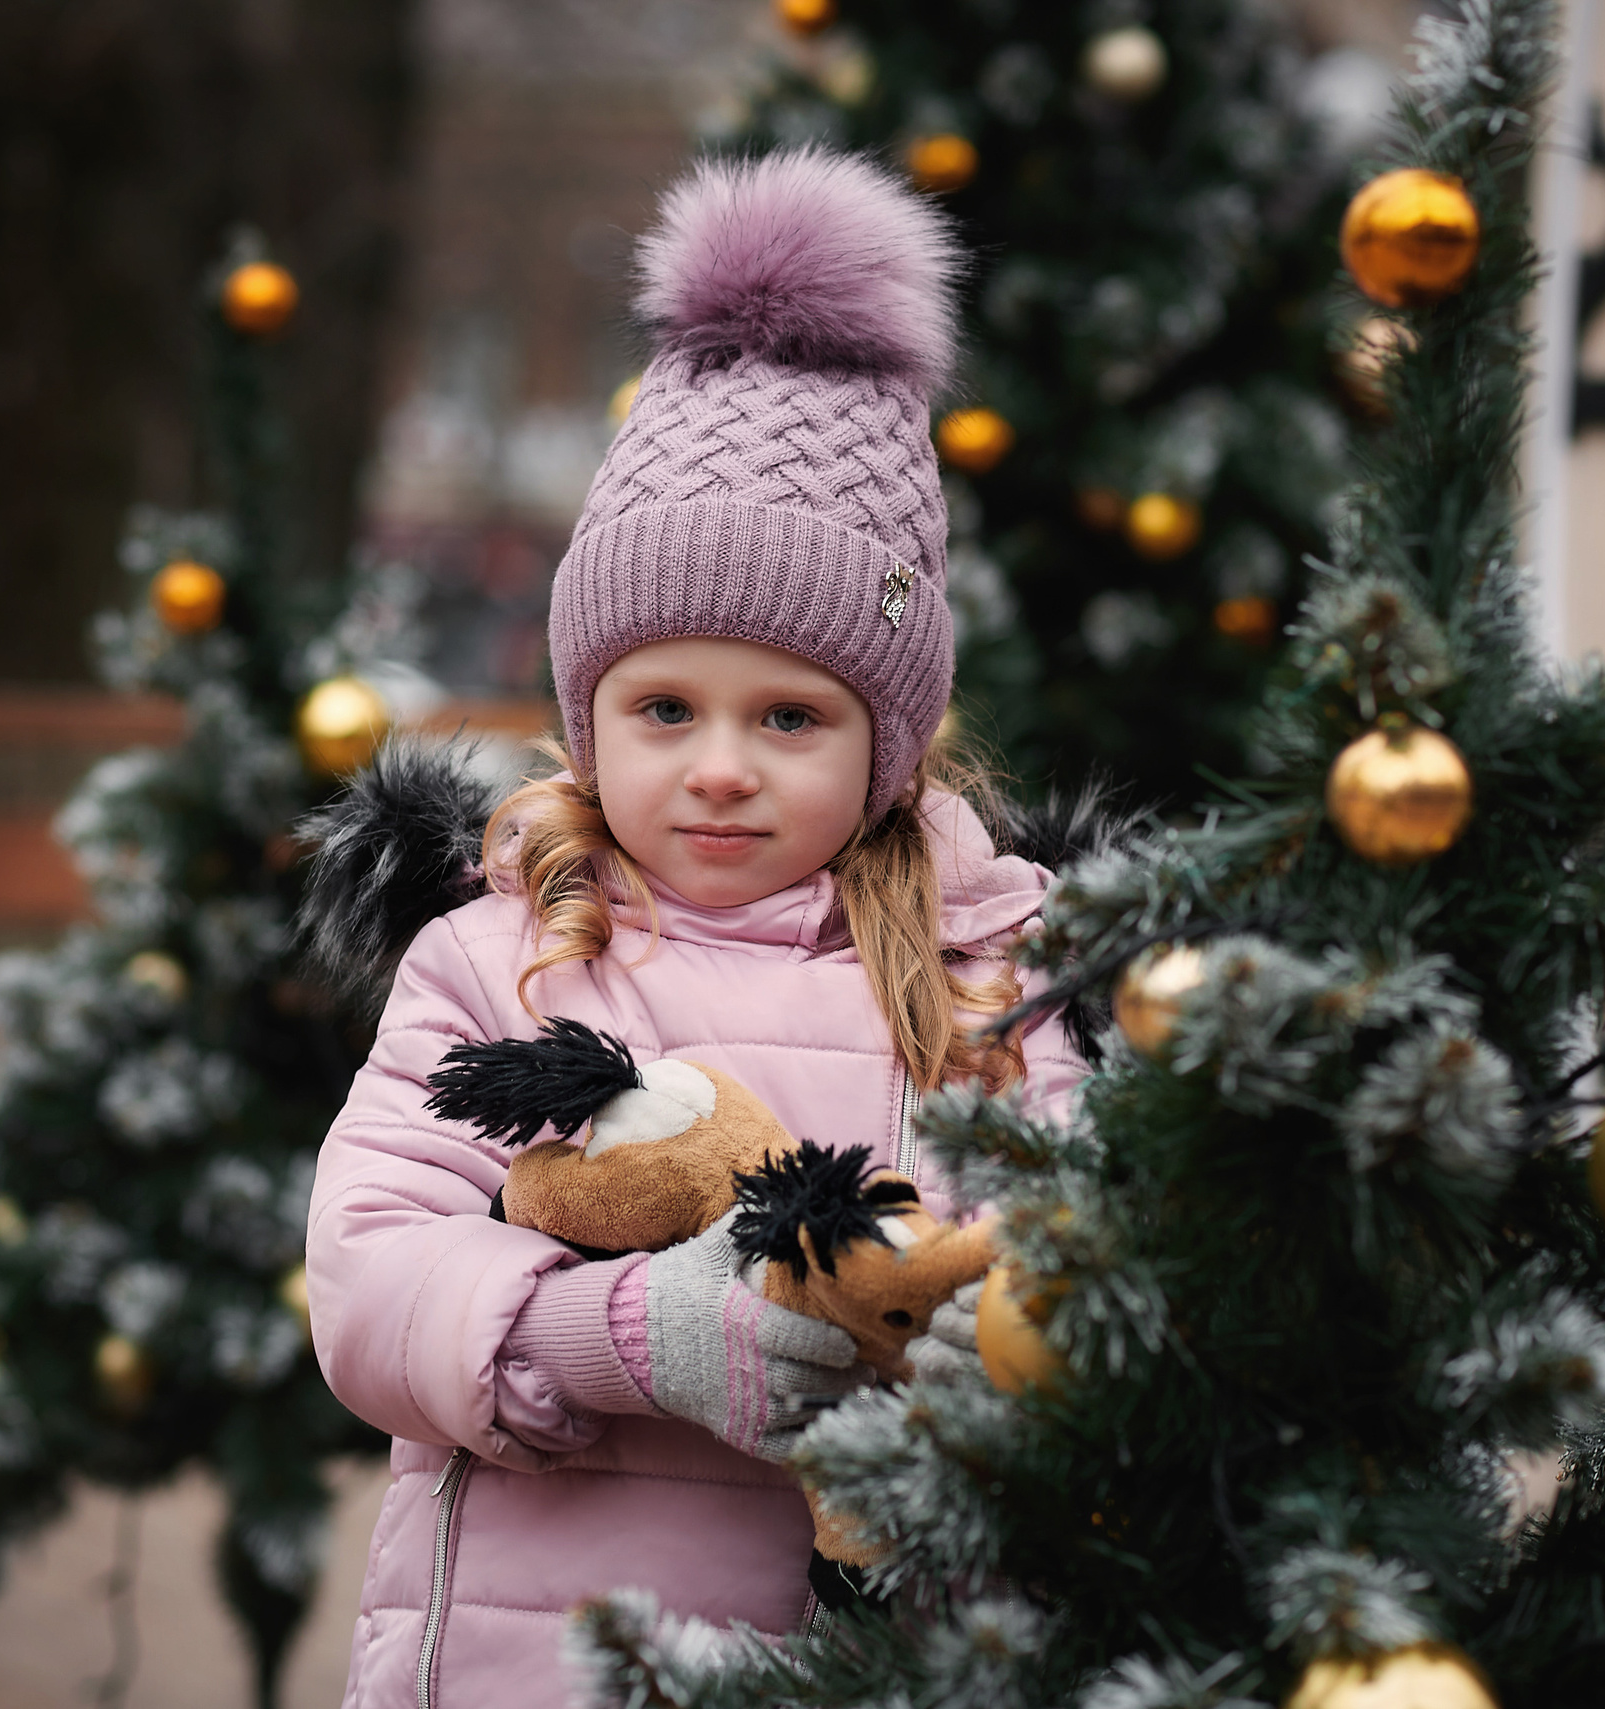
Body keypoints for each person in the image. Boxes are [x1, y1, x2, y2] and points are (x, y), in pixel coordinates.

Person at [300, 148, 1092, 1709]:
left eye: (791, 714)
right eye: (665, 706)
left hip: (882, 1659)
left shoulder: (996, 969)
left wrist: (956, 1326)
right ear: (590, 720)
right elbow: (373, 1274)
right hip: (544, 1665)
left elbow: (1079, 1264)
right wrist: (627, 1331)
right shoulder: (499, 957)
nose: (721, 765)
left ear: (888, 739)